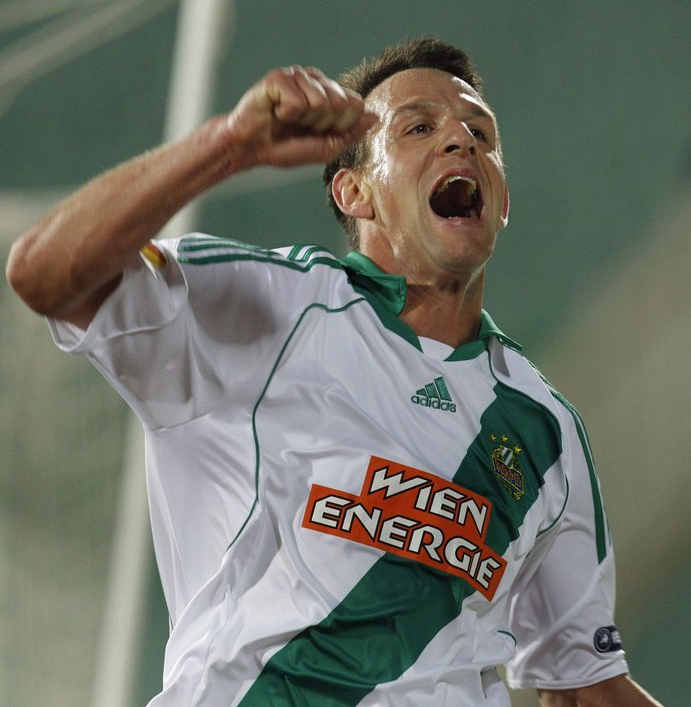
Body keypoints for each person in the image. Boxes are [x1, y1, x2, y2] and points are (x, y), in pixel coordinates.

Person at [6, 38, 663, 706]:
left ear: (503, 202)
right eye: (418, 127)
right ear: (354, 192)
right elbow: (44, 274)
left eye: (480, 133)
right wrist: (230, 146)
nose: (461, 141)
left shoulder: (542, 427)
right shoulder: (269, 304)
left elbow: (586, 687)